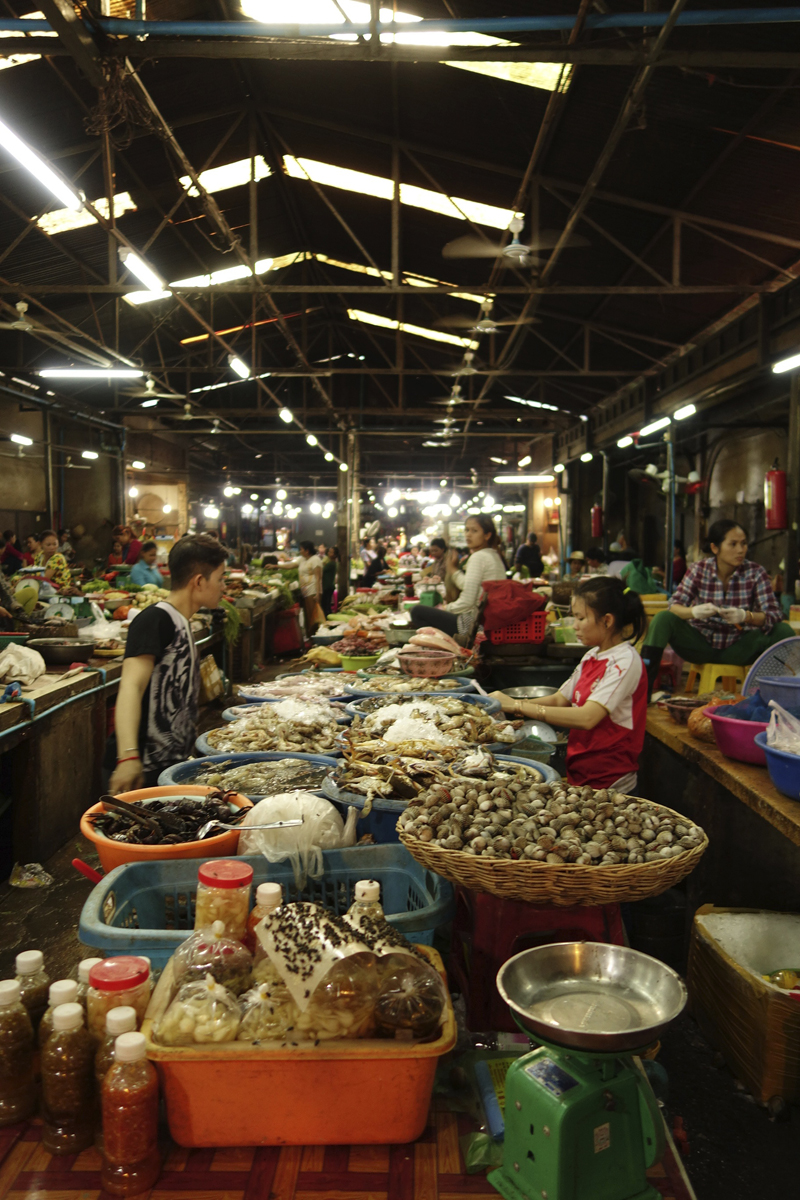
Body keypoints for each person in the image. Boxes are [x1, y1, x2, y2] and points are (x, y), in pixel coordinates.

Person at [491, 577, 648, 793]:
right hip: (580, 775)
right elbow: (559, 699)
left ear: (607, 620)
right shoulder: (592, 656)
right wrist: (507, 704)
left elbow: (587, 717)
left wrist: (517, 707)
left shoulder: (625, 662)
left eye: (581, 618)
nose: (574, 626)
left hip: (611, 784)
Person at [106, 534, 227, 791]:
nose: (224, 586)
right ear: (199, 581)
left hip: (167, 766)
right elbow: (130, 687)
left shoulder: (182, 621)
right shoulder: (155, 620)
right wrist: (128, 758)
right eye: (221, 578)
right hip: (139, 767)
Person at [641, 519, 795, 694]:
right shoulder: (699, 569)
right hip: (699, 645)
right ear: (715, 548)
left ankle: (766, 693)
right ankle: (643, 691)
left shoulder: (755, 572)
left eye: (744, 544)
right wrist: (693, 612)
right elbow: (674, 606)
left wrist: (746, 616)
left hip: (738, 647)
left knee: (784, 631)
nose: (740, 550)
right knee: (663, 618)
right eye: (733, 544)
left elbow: (774, 614)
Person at [409, 515, 506, 638]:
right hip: (486, 621)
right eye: (467, 530)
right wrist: (453, 570)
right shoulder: (493, 555)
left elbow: (467, 602)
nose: (468, 535)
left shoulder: (479, 557)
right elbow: (469, 586)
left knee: (417, 611)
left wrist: (445, 608)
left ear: (487, 535)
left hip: (473, 625)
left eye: (474, 531)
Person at [298, 540, 323, 634]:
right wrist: (275, 566)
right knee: (307, 615)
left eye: (301, 549)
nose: (300, 551)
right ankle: (310, 636)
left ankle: (315, 635)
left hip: (312, 590)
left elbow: (318, 578)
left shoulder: (315, 560)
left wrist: (317, 593)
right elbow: (292, 565)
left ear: (307, 550)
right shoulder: (303, 559)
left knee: (313, 615)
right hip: (305, 590)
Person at [321, 546, 339, 615]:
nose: (328, 553)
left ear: (335, 555)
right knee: (327, 604)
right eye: (329, 551)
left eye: (331, 552)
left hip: (327, 586)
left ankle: (327, 617)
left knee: (325, 604)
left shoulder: (331, 564)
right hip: (329, 585)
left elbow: (322, 569)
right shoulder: (332, 563)